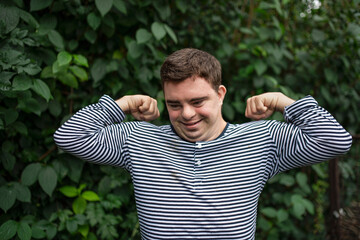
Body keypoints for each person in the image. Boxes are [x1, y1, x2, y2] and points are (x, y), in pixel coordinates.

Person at [54, 48, 352, 239]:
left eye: (198, 101)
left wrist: (283, 102)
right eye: (174, 104)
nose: (186, 114)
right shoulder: (139, 139)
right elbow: (69, 137)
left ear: (220, 93)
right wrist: (122, 104)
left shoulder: (262, 139)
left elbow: (335, 141)